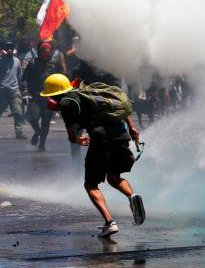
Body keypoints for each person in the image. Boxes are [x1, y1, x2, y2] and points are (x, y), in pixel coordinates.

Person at [40, 73, 145, 238]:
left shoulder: (67, 103)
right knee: (113, 177)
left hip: (101, 138)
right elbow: (119, 107)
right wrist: (132, 129)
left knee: (90, 184)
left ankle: (110, 223)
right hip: (121, 133)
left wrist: (79, 140)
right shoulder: (88, 91)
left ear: (53, 94)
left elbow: (71, 136)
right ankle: (132, 196)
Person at [22, 42, 58, 151]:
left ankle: (42, 145)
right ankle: (37, 131)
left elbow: (60, 79)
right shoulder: (32, 63)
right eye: (43, 51)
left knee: (46, 122)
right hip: (36, 97)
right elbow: (24, 78)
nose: (45, 54)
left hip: (49, 98)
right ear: (39, 51)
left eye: (47, 51)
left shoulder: (53, 65)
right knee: (32, 118)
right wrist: (25, 92)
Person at [0, 40, 25, 139]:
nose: (9, 50)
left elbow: (20, 76)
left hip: (14, 90)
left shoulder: (17, 61)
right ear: (4, 49)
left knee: (18, 112)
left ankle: (19, 133)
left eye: (11, 48)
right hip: (2, 91)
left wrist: (22, 88)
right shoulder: (1, 60)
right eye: (7, 48)